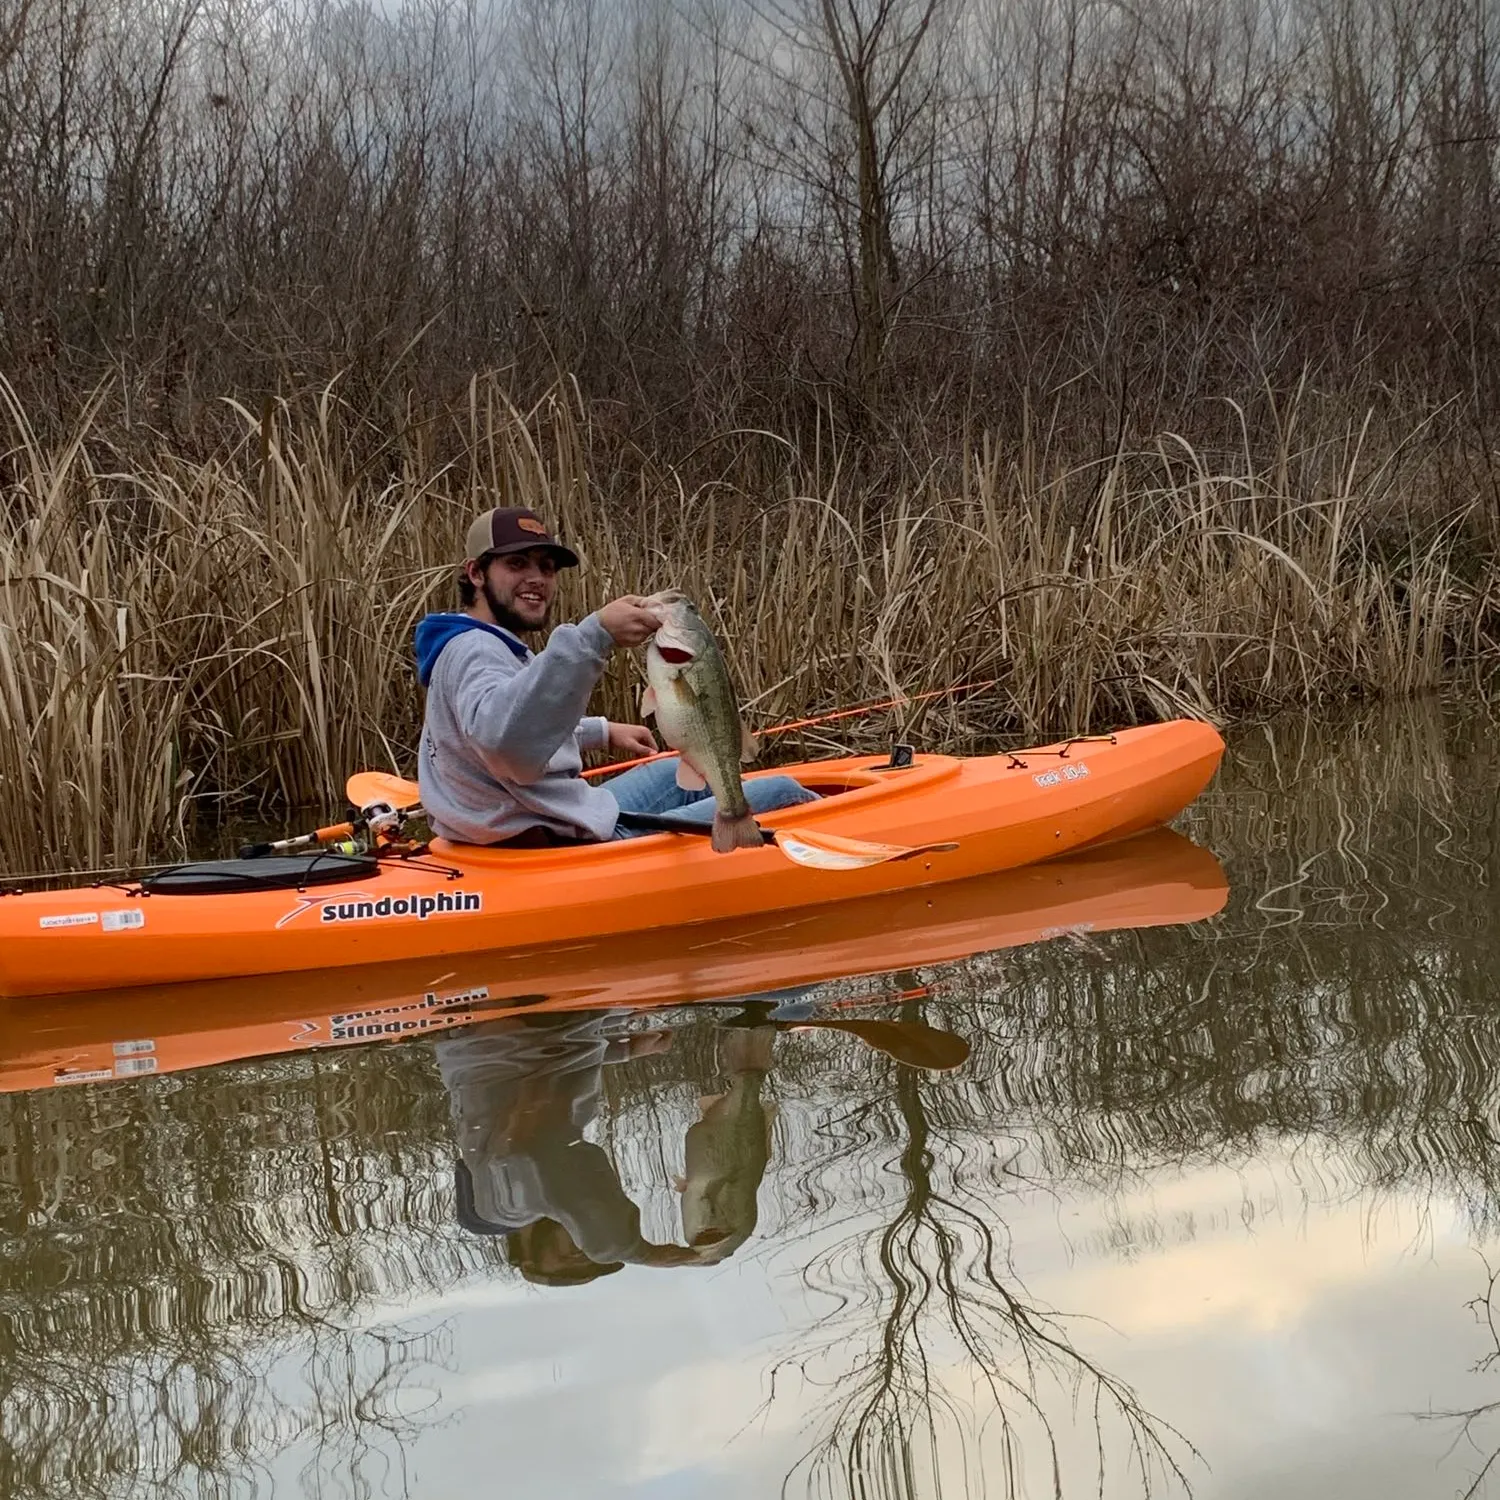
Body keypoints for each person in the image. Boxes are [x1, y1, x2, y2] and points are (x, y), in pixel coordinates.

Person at [413, 506, 819, 847]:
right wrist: (596, 635)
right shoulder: (477, 652)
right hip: (552, 837)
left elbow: (494, 726)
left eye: (547, 568)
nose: (536, 578)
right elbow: (507, 747)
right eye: (516, 564)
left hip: (537, 811)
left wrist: (600, 731)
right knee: (781, 792)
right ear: (476, 573)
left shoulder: (468, 641)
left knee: (668, 773)